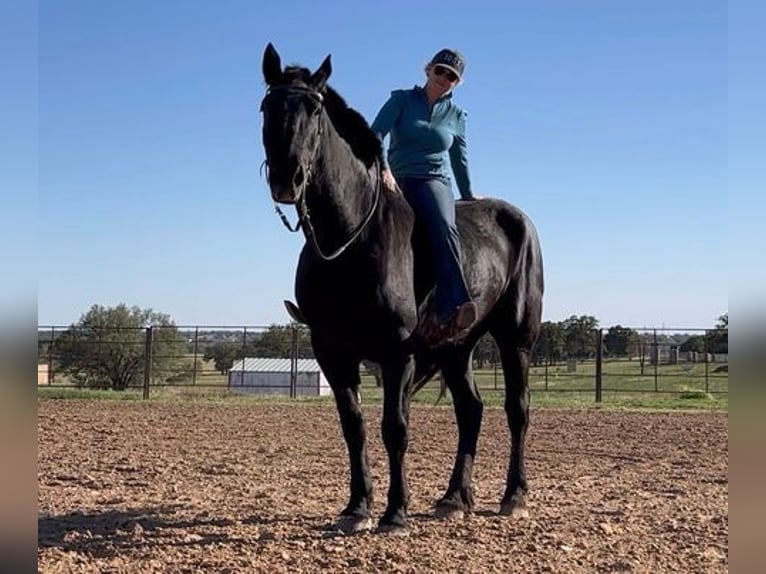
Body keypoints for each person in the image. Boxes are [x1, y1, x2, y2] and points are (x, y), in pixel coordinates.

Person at [371, 48, 478, 343]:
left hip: (433, 180)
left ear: (458, 82)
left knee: (444, 227)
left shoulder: (457, 115)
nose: (444, 78)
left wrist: (468, 193)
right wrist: (383, 169)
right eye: (440, 70)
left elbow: (460, 158)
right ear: (428, 69)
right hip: (392, 177)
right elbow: (375, 134)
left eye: (452, 76)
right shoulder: (401, 100)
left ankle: (453, 305)